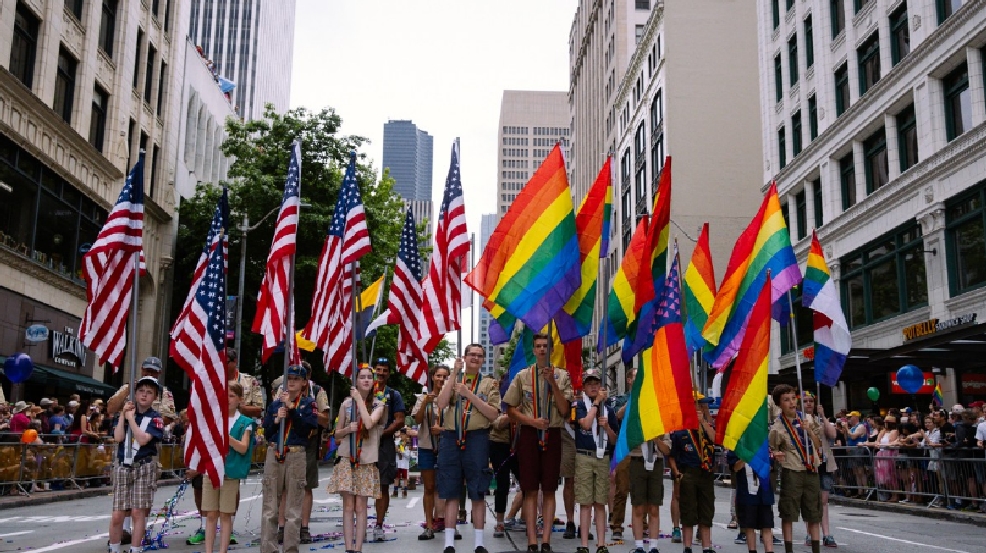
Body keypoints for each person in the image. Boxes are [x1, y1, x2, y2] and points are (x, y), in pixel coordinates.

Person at [503, 333, 574, 553]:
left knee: (550, 488)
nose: (542, 349)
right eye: (538, 346)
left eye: (545, 346)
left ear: (550, 350)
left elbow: (564, 411)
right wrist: (531, 421)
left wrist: (552, 382)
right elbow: (511, 409)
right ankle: (532, 541)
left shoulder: (562, 376)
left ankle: (546, 542)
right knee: (530, 489)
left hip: (553, 433)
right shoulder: (523, 376)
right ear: (533, 350)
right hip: (529, 435)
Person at [436, 343, 501, 553]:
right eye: (471, 354)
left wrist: (469, 394)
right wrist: (454, 373)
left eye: (479, 355)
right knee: (451, 490)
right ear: (464, 357)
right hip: (451, 437)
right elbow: (441, 403)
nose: (475, 358)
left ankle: (479, 543)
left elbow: (493, 414)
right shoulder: (453, 380)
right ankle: (448, 543)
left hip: (477, 439)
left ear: (483, 360)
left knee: (478, 490)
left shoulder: (489, 384)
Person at [327, 364, 386, 553]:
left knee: (361, 506)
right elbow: (336, 435)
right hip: (347, 458)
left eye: (370, 377)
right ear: (356, 381)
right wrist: (346, 430)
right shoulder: (346, 404)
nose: (366, 380)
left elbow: (369, 423)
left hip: (366, 460)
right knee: (348, 505)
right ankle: (348, 547)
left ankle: (359, 547)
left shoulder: (379, 402)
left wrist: (359, 400)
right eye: (362, 377)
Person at [260, 364, 318, 553]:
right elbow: (267, 431)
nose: (292, 382)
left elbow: (308, 428)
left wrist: (293, 410)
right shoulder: (276, 404)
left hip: (295, 454)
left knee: (293, 508)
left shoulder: (308, 403)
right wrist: (277, 419)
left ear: (303, 383)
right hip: (275, 452)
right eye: (289, 379)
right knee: (270, 507)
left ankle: (291, 548)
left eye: (296, 379)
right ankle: (268, 548)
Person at [107, 376, 165, 553]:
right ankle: (114, 548)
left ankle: (135, 548)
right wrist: (124, 416)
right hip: (124, 466)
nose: (144, 395)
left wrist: (131, 420)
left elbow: (142, 439)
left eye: (149, 392)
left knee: (137, 512)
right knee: (118, 514)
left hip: (143, 466)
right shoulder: (125, 412)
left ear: (154, 397)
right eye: (141, 391)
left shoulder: (156, 418)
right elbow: (117, 437)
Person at [768, 384, 823, 553]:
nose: (792, 402)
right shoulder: (777, 427)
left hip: (811, 470)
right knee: (788, 513)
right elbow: (771, 449)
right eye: (786, 400)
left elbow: (818, 445)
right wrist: (775, 454)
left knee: (813, 513)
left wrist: (809, 431)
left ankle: (815, 548)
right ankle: (789, 549)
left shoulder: (807, 419)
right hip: (792, 471)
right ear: (779, 404)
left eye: (793, 398)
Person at [201, 381, 254, 553]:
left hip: (231, 472)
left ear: (240, 399)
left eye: (231, 396)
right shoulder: (214, 418)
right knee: (210, 513)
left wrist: (227, 437)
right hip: (212, 470)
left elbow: (243, 447)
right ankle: (208, 550)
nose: (227, 400)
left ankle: (222, 550)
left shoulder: (245, 422)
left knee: (225, 514)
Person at [573, 368, 618, 553]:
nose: (593, 387)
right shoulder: (579, 406)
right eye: (589, 384)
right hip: (584, 456)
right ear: (584, 387)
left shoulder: (609, 410)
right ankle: (584, 544)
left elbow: (615, 439)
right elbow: (584, 423)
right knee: (585, 502)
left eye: (596, 384)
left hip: (602, 457)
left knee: (600, 502)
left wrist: (607, 427)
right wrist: (597, 402)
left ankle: (601, 543)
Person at [668, 392, 717, 553]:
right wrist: (676, 473)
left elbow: (716, 439)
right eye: (701, 404)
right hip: (688, 473)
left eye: (704, 405)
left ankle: (706, 546)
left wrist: (703, 421)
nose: (704, 407)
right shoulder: (681, 431)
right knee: (688, 511)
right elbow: (673, 455)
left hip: (706, 473)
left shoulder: (707, 427)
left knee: (706, 510)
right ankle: (687, 546)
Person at [412, 365, 451, 540]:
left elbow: (457, 425)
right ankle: (429, 525)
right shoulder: (423, 398)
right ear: (432, 377)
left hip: (447, 448)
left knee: (448, 487)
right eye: (438, 376)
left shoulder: (452, 398)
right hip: (427, 446)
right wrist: (426, 403)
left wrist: (441, 429)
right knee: (429, 487)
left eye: (445, 376)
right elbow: (418, 420)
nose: (441, 379)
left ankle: (449, 524)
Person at [372, 358, 406, 542]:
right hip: (365, 442)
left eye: (385, 370)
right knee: (359, 484)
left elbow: (399, 419)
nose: (381, 373)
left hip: (384, 444)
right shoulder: (366, 390)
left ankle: (378, 524)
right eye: (379, 369)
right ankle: (358, 521)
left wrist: (382, 433)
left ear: (389, 373)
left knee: (382, 485)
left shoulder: (393, 394)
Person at [800, 393, 837, 548]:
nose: (809, 404)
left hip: (824, 463)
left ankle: (826, 534)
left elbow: (832, 434)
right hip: (808, 463)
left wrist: (823, 415)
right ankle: (810, 532)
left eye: (811, 401)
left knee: (823, 501)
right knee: (809, 500)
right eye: (805, 401)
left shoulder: (820, 420)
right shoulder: (799, 420)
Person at [727, 450, 775, 553]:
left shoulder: (763, 445)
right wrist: (746, 457)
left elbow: (770, 466)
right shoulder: (738, 446)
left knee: (767, 526)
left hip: (763, 491)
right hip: (747, 491)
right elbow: (735, 467)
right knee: (749, 526)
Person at [608, 367, 635, 542]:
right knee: (622, 488)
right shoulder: (622, 398)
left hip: (644, 448)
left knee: (641, 491)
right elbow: (618, 415)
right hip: (626, 448)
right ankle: (617, 524)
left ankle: (644, 524)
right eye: (635, 377)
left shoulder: (648, 398)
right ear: (628, 381)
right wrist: (633, 399)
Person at [394, 429, 411, 497]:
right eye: (401, 434)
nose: (402, 436)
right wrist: (397, 450)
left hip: (405, 463)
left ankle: (405, 491)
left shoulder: (407, 443)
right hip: (398, 463)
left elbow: (409, 455)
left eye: (403, 434)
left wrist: (402, 452)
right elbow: (394, 448)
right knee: (396, 477)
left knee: (405, 478)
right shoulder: (397, 442)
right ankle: (395, 491)